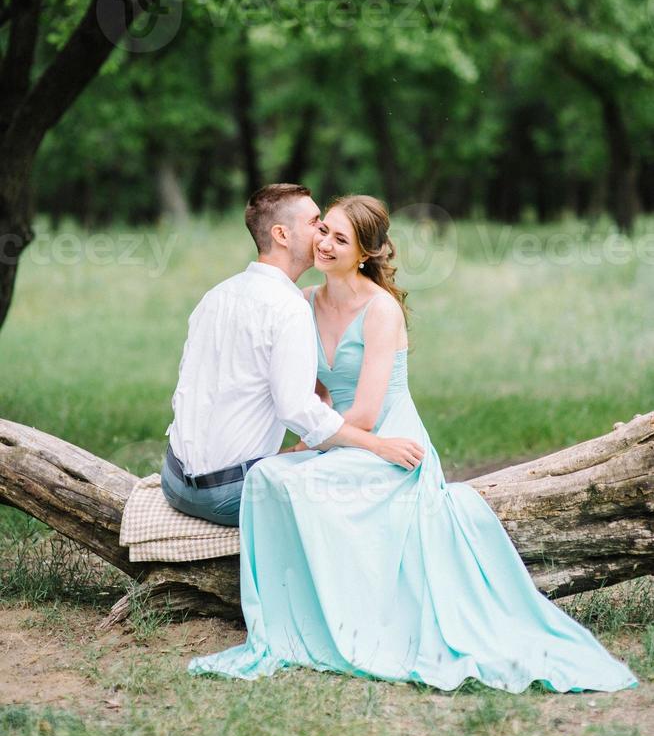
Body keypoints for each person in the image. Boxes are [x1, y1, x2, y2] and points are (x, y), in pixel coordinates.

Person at [188, 194, 639, 694]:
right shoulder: (305, 303)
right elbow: (310, 394)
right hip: (342, 440)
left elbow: (365, 411)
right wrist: (304, 444)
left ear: (364, 252)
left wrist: (310, 447)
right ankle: (288, 622)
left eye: (341, 238)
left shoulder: (380, 310)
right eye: (324, 231)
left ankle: (351, 621)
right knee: (269, 477)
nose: (325, 244)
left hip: (389, 443)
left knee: (292, 477)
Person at [162, 184, 424, 526]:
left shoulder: (216, 295)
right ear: (282, 234)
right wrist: (374, 446)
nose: (322, 236)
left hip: (174, 481)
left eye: (333, 232)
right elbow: (297, 409)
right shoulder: (292, 306)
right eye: (317, 223)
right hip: (226, 492)